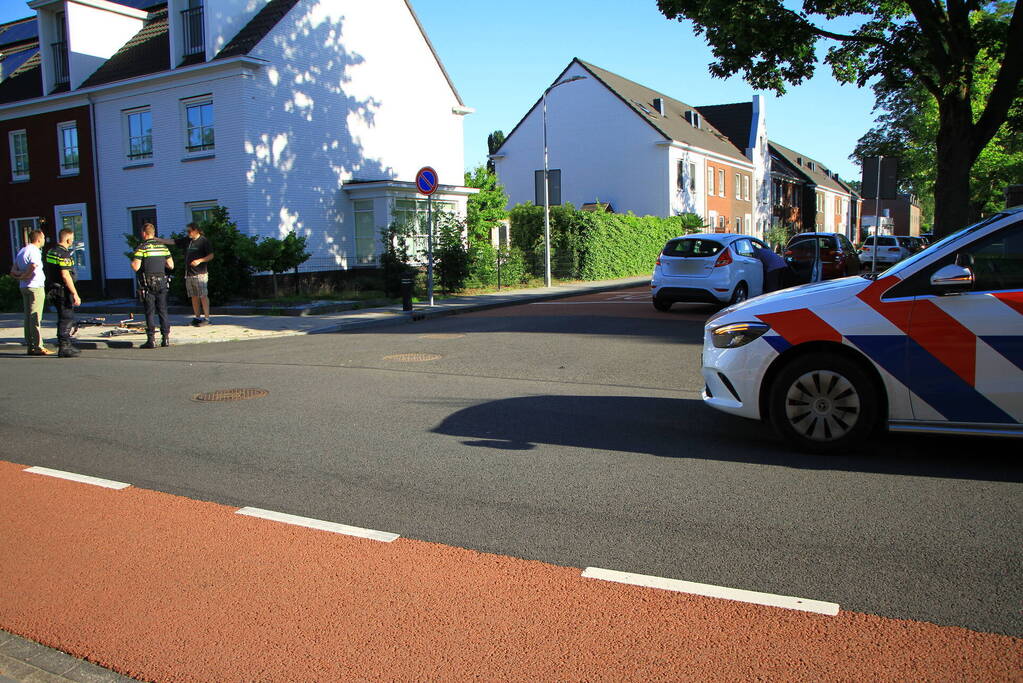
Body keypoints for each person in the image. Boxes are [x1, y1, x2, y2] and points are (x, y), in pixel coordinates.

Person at [155, 223, 214, 326]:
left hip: (200, 273)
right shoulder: (187, 240)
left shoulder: (204, 241)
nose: (188, 233)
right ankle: (197, 317)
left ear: (196, 230)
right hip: (189, 274)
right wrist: (157, 239)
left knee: (203, 295)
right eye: (187, 231)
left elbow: (211, 255)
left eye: (189, 231)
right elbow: (173, 241)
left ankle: (207, 318)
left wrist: (200, 260)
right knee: (194, 296)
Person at [131, 223, 174, 349]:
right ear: (153, 233)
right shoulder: (163, 247)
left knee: (150, 312)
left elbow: (136, 267)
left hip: (147, 283)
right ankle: (165, 338)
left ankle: (151, 340)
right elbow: (171, 265)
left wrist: (132, 262)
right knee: (163, 310)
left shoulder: (142, 248)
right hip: (162, 282)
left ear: (144, 233)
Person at [11, 230, 53, 355]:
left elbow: (13, 270)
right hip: (35, 286)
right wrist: (26, 275)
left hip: (24, 287)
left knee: (28, 316)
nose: (45, 239)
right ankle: (38, 346)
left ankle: (30, 345)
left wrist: (20, 276)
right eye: (44, 237)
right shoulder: (34, 251)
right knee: (35, 317)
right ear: (39, 239)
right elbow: (33, 266)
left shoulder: (22, 251)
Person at [43, 228, 83, 358]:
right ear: (68, 239)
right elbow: (66, 276)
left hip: (52, 289)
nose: (72, 241)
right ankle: (64, 347)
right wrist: (75, 293)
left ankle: (65, 345)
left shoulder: (50, 252)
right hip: (62, 290)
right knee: (66, 318)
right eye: (72, 238)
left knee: (62, 317)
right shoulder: (64, 254)